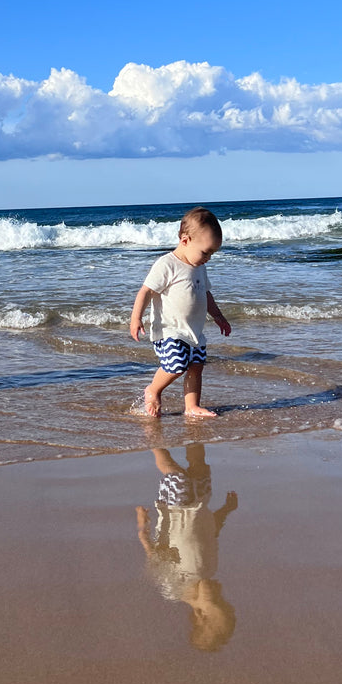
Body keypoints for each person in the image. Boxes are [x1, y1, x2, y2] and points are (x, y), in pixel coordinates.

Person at [129, 206, 231, 418]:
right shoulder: (167, 264)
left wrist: (218, 316)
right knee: (177, 366)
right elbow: (146, 291)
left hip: (194, 332)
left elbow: (206, 294)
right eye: (206, 252)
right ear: (185, 241)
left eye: (212, 253)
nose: (208, 258)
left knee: (196, 367)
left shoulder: (199, 267)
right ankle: (154, 390)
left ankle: (192, 406)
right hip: (170, 331)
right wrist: (136, 317)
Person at [135, 443, 238, 652]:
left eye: (216, 602)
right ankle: (193, 429)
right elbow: (210, 533)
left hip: (176, 509)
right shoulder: (209, 570)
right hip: (200, 503)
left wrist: (142, 526)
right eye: (223, 600)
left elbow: (154, 557)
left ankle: (153, 435)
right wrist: (226, 510)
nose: (220, 594)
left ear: (199, 614)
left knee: (176, 474)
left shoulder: (174, 589)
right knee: (200, 466)